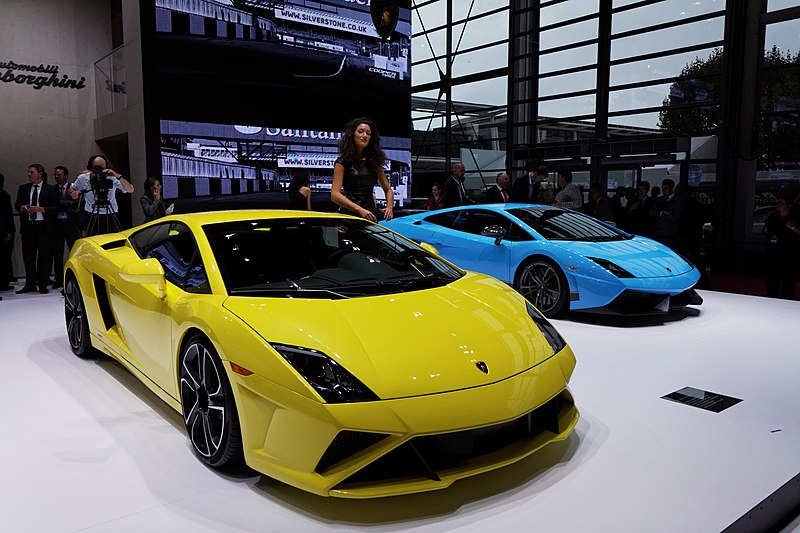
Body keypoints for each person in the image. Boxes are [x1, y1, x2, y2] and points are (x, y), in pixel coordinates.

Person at [331, 117, 394, 222]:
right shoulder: (342, 162)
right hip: (349, 216)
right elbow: (335, 195)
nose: (365, 136)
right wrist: (359, 209)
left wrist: (389, 207)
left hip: (370, 216)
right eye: (361, 132)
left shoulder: (374, 162)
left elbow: (388, 190)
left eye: (368, 133)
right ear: (352, 134)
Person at [14, 164, 58, 294]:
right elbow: (17, 205)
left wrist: (42, 209)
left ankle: (43, 284)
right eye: (28, 172)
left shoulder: (50, 189)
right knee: (28, 257)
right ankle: (30, 284)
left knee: (44, 258)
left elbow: (57, 208)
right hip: (28, 227)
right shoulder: (23, 188)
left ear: (40, 173)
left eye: (31, 172)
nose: (29, 174)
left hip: (44, 227)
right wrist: (22, 207)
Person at [69, 154, 134, 236]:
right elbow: (71, 188)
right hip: (91, 215)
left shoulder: (111, 179)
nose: (100, 171)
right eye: (97, 168)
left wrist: (117, 176)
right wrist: (73, 194)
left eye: (103, 168)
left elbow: (130, 190)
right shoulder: (83, 178)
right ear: (90, 168)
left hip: (110, 215)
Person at [763, 194, 800, 300]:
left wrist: (792, 227)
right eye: (778, 202)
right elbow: (766, 231)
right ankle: (770, 301)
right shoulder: (773, 217)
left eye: (781, 203)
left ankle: (786, 303)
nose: (778, 205)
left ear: (788, 205)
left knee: (788, 282)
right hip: (773, 252)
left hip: (789, 254)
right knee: (771, 281)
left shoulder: (795, 217)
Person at [51, 165, 80, 288]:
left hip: (70, 223)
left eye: (60, 174)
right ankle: (58, 279)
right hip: (57, 224)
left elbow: (75, 204)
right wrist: (65, 205)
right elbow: (51, 205)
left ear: (66, 175)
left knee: (73, 251)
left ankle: (74, 278)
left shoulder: (73, 188)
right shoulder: (52, 190)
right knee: (57, 253)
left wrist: (59, 204)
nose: (57, 177)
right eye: (55, 175)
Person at [649, 178, 684, 247]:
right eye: (662, 188)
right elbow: (651, 212)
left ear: (672, 188)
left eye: (665, 188)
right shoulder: (659, 199)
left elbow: (675, 217)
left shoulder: (678, 200)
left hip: (670, 233)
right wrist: (662, 212)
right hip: (657, 232)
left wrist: (660, 213)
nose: (663, 190)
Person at [0, 172, 15, 294]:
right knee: (4, 258)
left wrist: (8, 230)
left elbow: (7, 215)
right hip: (4, 230)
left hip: (3, 230)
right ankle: (4, 282)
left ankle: (4, 282)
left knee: (4, 258)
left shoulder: (4, 195)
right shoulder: (4, 195)